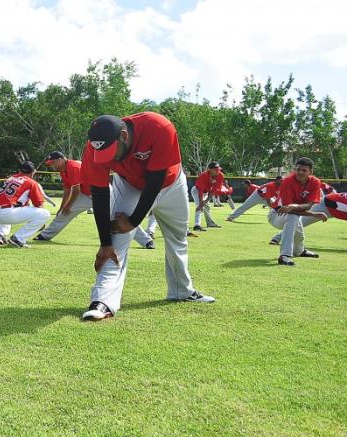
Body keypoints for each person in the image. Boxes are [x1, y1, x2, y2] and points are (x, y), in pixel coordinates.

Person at [80, 113, 215, 321]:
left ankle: (182, 292)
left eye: (111, 152)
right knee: (115, 243)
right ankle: (103, 301)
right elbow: (99, 193)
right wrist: (104, 242)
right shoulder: (94, 147)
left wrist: (133, 221)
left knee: (178, 239)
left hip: (170, 183)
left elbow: (155, 180)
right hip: (128, 184)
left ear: (124, 136)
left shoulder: (159, 127)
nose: (108, 158)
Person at [34, 151, 154, 248]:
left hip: (103, 193)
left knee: (117, 217)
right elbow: (67, 191)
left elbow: (75, 191)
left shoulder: (74, 166)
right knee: (63, 214)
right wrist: (62, 208)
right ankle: (44, 236)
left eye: (53, 163)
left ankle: (147, 241)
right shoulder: (63, 171)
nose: (52, 166)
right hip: (86, 195)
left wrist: (67, 206)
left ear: (60, 160)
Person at [267, 158, 326, 266]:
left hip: (293, 213)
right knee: (293, 218)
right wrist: (314, 215)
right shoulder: (287, 182)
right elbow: (290, 210)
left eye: (304, 170)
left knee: (299, 235)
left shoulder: (315, 182)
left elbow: (308, 205)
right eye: (298, 169)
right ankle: (284, 256)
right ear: (295, 169)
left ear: (310, 172)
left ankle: (299, 251)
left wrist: (296, 206)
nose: (300, 172)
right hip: (277, 215)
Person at [0, 161, 51, 248]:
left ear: (20, 170)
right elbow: (39, 205)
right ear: (33, 172)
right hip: (6, 213)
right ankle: (18, 239)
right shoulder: (31, 182)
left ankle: (1, 234)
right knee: (45, 213)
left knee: (14, 205)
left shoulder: (11, 178)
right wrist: (38, 222)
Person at [190, 161, 223, 231]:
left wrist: (206, 201)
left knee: (207, 207)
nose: (218, 171)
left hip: (206, 192)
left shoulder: (220, 176)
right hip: (196, 191)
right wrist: (202, 203)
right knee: (200, 206)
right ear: (210, 169)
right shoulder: (203, 175)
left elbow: (213, 191)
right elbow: (200, 191)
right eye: (215, 169)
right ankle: (197, 225)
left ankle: (210, 223)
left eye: (218, 169)